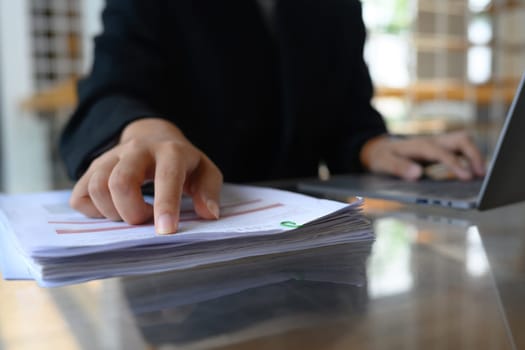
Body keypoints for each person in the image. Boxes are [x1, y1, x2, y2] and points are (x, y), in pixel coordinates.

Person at [60, 0, 485, 235]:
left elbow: (346, 117)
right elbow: (110, 89)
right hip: (181, 267)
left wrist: (376, 145)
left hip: (318, 259)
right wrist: (144, 131)